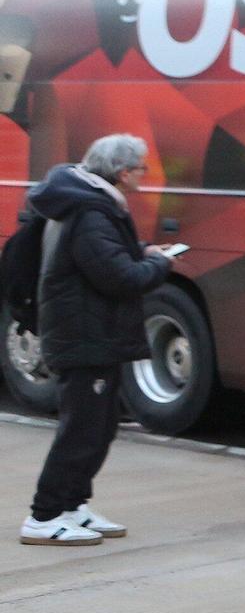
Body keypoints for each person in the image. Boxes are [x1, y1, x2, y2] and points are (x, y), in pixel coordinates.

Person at [19, 134, 176, 546]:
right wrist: (159, 263)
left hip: (94, 335)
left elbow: (105, 256)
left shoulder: (91, 203)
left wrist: (143, 251)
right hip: (83, 337)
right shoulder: (90, 212)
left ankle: (72, 506)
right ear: (124, 173)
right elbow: (120, 278)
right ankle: (44, 515)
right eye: (141, 167)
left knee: (100, 426)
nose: (144, 174)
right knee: (82, 429)